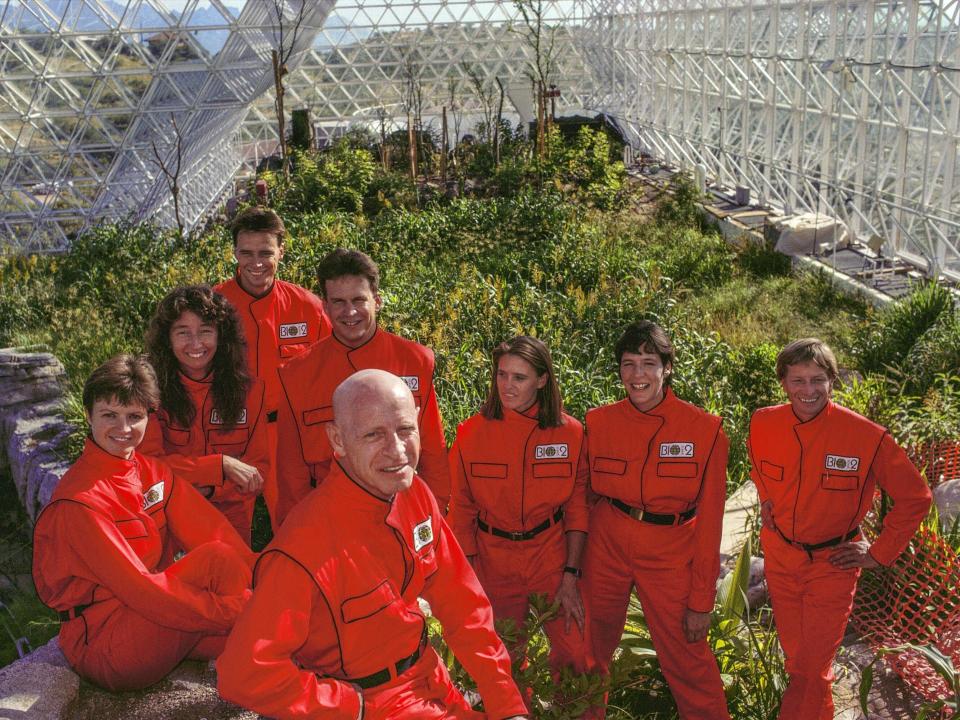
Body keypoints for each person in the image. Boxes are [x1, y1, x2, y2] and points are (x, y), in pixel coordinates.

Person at [217, 369, 529, 720]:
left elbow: (463, 603)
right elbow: (242, 672)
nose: (397, 451)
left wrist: (505, 702)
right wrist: (348, 705)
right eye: (373, 434)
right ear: (337, 440)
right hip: (373, 704)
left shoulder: (414, 493)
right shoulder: (302, 548)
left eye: (406, 429)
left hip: (430, 680)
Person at [32, 355, 255, 691]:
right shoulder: (78, 501)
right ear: (88, 414)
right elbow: (144, 592)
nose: (123, 430)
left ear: (150, 417)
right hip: (106, 644)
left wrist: (269, 586)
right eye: (109, 415)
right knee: (247, 619)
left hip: (155, 622)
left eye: (134, 417)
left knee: (248, 608)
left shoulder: (152, 472)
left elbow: (216, 534)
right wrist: (234, 610)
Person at [748, 338, 931, 720]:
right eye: (798, 380)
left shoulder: (865, 436)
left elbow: (916, 496)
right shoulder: (764, 422)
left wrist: (878, 553)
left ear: (833, 381)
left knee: (810, 668)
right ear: (783, 382)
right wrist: (768, 497)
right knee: (799, 662)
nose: (808, 391)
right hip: (781, 560)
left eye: (817, 380)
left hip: (833, 564)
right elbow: (759, 465)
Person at [581, 320, 730, 719]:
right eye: (628, 364)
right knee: (588, 650)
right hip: (606, 543)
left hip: (672, 551)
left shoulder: (706, 430)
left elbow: (712, 522)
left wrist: (701, 600)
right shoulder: (598, 423)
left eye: (648, 363)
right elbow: (584, 497)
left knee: (687, 657)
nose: (638, 375)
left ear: (667, 368)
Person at [274, 249, 451, 524]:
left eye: (359, 300)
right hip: (331, 520)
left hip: (401, 513)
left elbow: (433, 454)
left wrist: (432, 519)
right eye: (339, 302)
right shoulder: (297, 374)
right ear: (325, 306)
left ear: (377, 301)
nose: (350, 312)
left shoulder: (414, 361)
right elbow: (291, 474)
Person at [448, 336, 589, 680]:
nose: (507, 386)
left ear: (542, 380)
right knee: (503, 660)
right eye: (501, 375)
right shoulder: (471, 433)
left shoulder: (570, 433)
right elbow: (461, 509)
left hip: (551, 558)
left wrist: (570, 577)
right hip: (493, 559)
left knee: (576, 654)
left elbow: (577, 508)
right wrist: (470, 576)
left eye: (519, 378)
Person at [214, 206, 330, 525]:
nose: (256, 263)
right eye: (246, 253)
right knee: (224, 533)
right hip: (230, 431)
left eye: (266, 252)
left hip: (288, 438)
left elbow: (332, 373)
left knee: (297, 526)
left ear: (282, 249)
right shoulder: (213, 306)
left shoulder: (308, 307)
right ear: (234, 252)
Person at [140, 285, 269, 544]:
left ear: (222, 336)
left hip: (232, 522)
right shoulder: (148, 390)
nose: (196, 344)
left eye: (205, 331)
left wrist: (210, 489)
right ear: (168, 338)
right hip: (169, 517)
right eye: (183, 332)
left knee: (236, 582)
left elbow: (258, 471)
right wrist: (220, 466)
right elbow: (147, 466)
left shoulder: (251, 390)